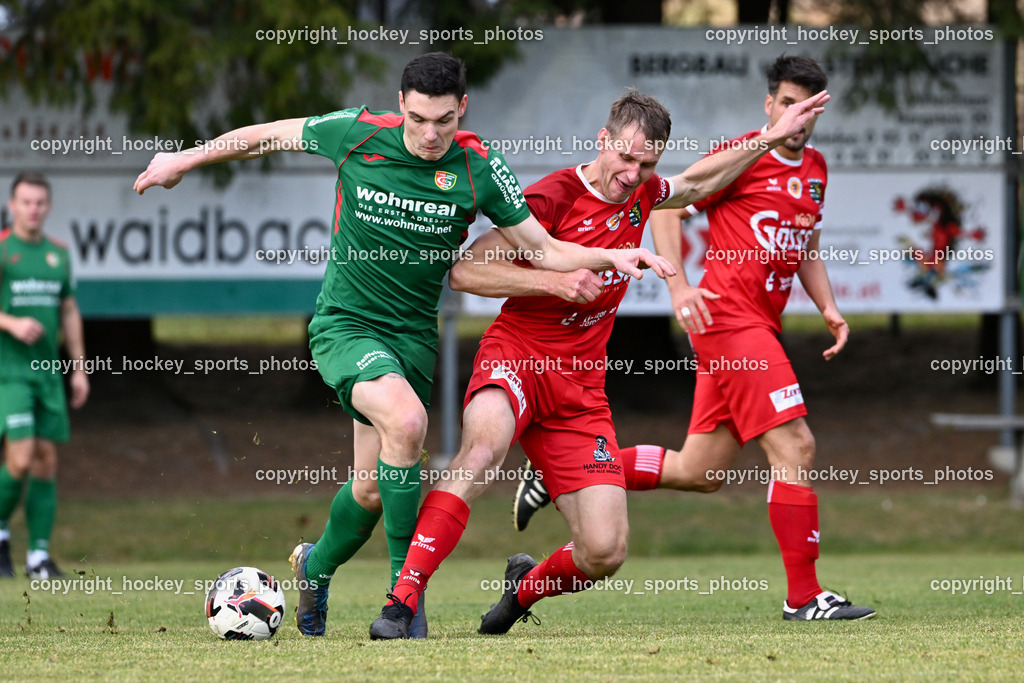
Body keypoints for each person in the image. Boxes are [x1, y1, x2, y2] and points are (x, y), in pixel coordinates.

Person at [133, 52, 672, 639]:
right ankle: (405, 600)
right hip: (346, 325)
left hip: (412, 338)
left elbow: (542, 249)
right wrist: (184, 158)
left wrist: (610, 256)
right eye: (417, 119)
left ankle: (314, 568)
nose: (430, 134)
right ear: (400, 106)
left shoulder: (479, 166)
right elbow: (267, 136)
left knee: (370, 489)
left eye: (443, 120)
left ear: (462, 109)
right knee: (410, 421)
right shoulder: (357, 134)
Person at [367, 82, 831, 639]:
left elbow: (697, 183)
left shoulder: (643, 192)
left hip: (580, 388)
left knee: (604, 551)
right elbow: (467, 271)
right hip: (518, 355)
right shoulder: (554, 196)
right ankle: (402, 601)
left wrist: (771, 138)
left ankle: (522, 589)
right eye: (626, 158)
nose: (633, 174)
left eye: (647, 164)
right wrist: (557, 282)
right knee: (483, 450)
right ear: (603, 141)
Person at [511, 55, 876, 621]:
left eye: (807, 108)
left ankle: (560, 472)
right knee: (796, 446)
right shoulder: (744, 156)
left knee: (700, 472)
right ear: (770, 104)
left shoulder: (816, 168)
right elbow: (665, 207)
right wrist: (679, 287)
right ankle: (804, 597)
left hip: (757, 325)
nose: (796, 117)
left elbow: (805, 245)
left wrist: (827, 306)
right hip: (728, 320)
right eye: (787, 103)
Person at [0, 172, 90, 579]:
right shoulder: (4, 251)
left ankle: (38, 558)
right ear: (12, 205)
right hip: (10, 373)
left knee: (46, 460)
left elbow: (68, 310)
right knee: (20, 460)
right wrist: (12, 323)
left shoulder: (58, 254)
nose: (33, 209)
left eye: (40, 202)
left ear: (48, 206)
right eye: (26, 202)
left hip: (48, 373)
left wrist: (79, 368)